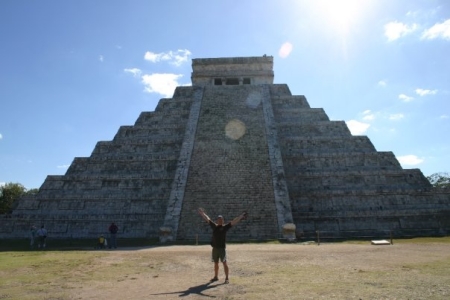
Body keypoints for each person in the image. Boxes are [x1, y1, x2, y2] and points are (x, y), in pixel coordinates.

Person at [198, 208, 248, 284]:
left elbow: (234, 221)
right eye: (219, 219)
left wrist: (241, 216)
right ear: (217, 220)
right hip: (215, 248)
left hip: (221, 248)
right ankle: (215, 276)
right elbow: (208, 219)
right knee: (215, 263)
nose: (220, 221)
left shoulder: (225, 227)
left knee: (224, 262)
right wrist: (202, 214)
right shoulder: (214, 226)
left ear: (223, 221)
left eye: (221, 219)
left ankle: (227, 278)